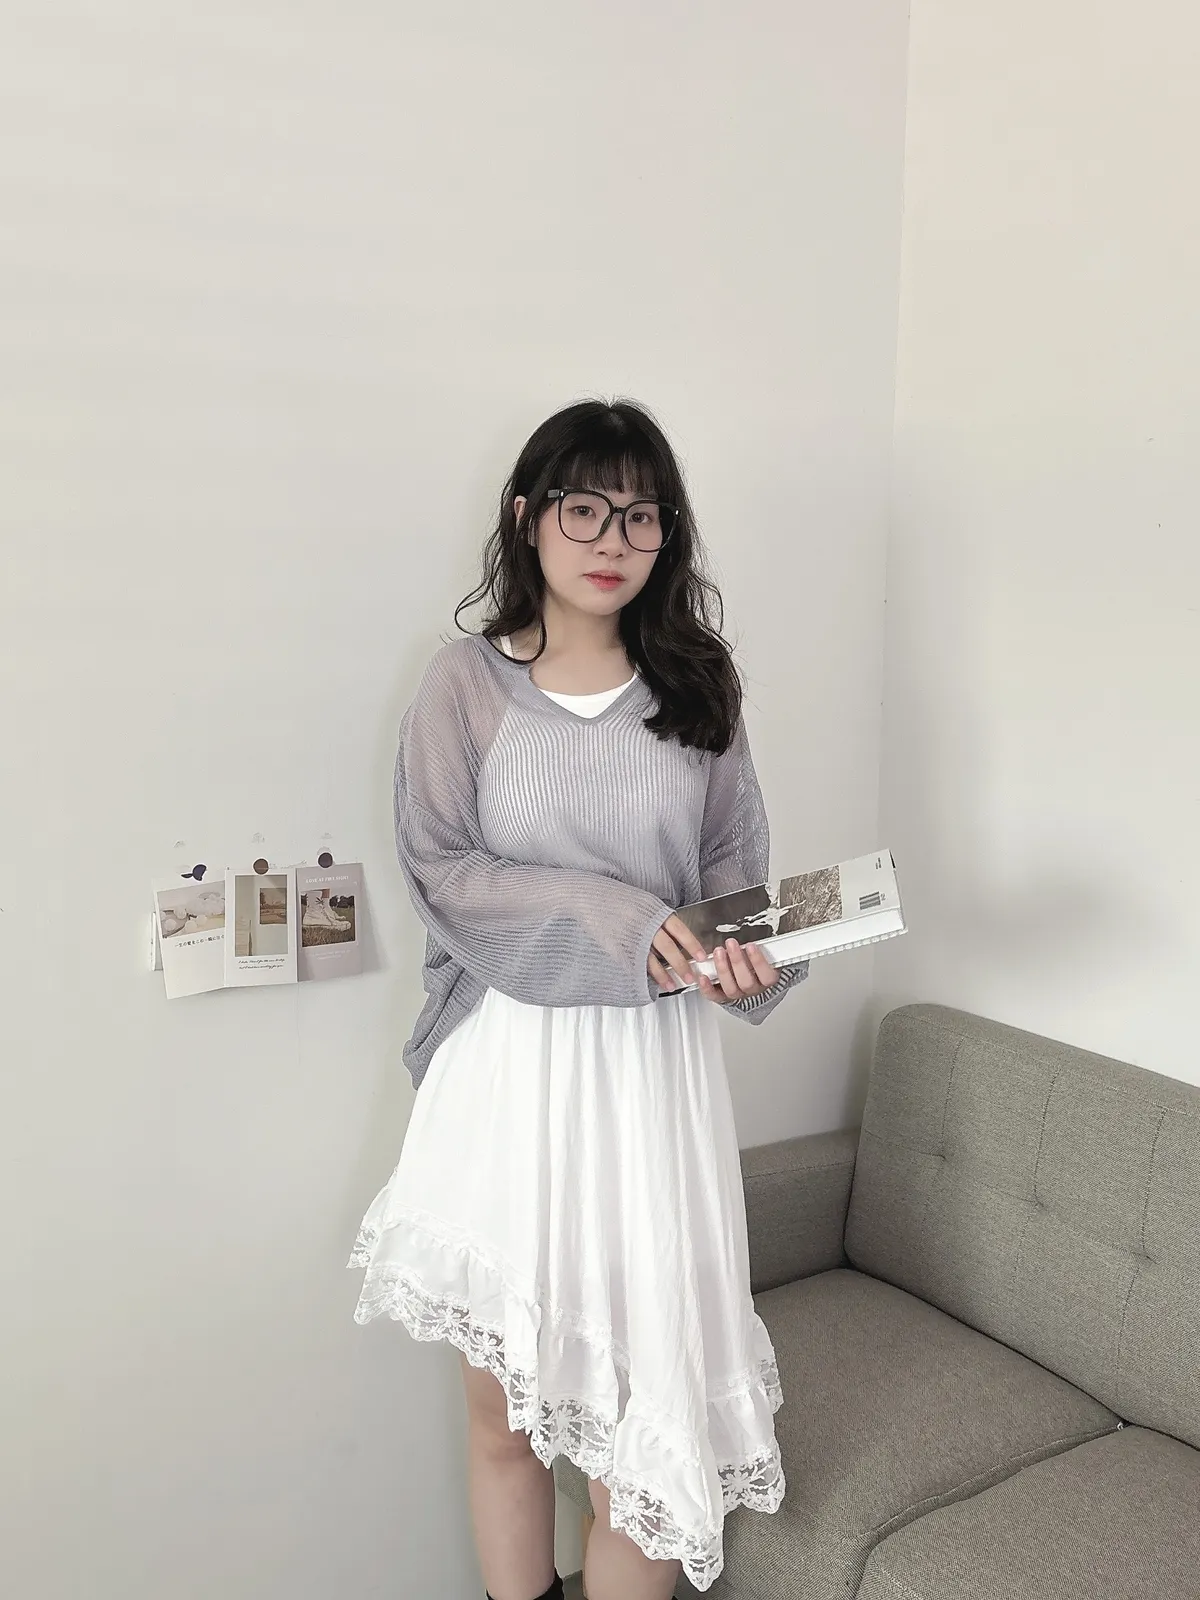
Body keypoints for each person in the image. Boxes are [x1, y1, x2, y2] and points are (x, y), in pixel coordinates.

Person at [348, 399, 807, 1599]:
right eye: (585, 507)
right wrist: (619, 920)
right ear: (528, 516)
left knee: (636, 1455)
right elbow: (445, 871)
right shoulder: (463, 684)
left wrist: (756, 951)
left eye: (642, 515)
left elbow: (728, 878)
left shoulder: (698, 686)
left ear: (668, 534)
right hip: (507, 1071)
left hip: (649, 1084)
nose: (613, 538)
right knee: (504, 1425)